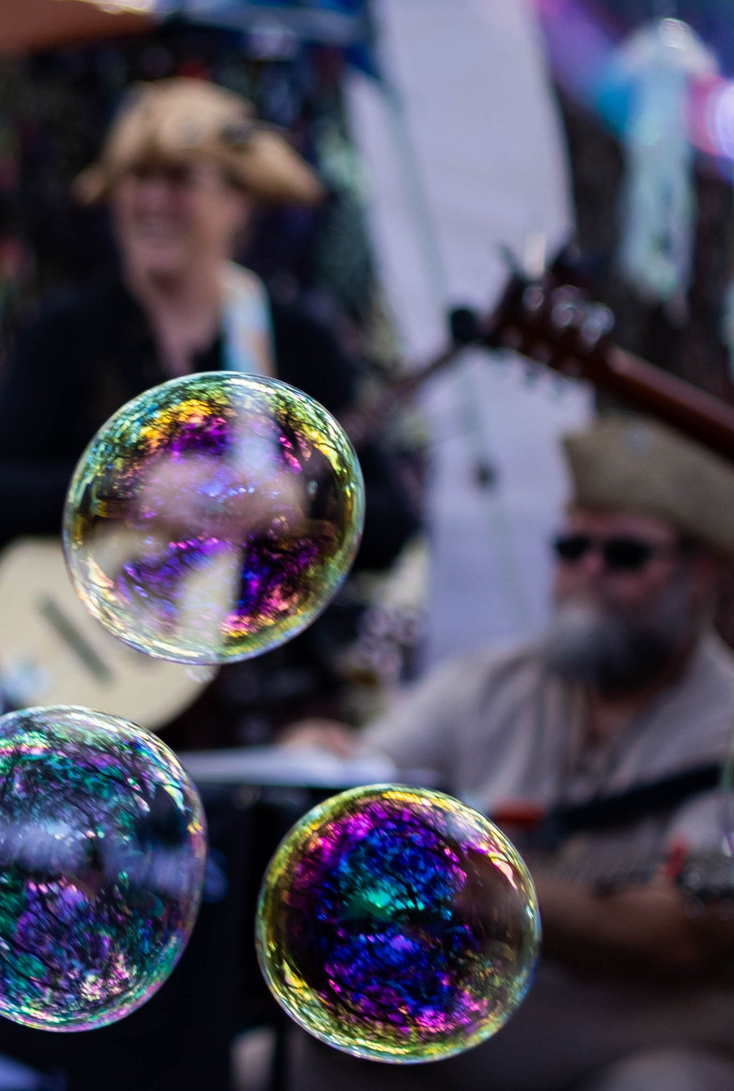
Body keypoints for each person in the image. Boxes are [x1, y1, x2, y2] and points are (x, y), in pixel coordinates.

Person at [0, 77, 415, 737]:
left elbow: (391, 524)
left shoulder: (295, 342)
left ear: (237, 202)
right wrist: (127, 488)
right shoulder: (71, 333)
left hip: (253, 713)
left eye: (179, 179)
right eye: (137, 178)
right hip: (87, 707)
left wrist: (300, 507)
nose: (152, 200)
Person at [285, 415, 734, 1091]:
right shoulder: (490, 681)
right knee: (301, 1056)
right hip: (467, 1022)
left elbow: (684, 932)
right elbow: (366, 778)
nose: (588, 571)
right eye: (571, 545)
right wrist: (317, 759)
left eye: (624, 555)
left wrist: (491, 892)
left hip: (641, 1031)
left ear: (701, 574)